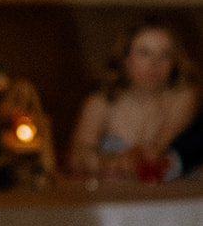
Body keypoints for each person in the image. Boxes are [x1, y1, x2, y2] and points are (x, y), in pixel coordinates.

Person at [67, 19, 199, 180]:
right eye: (144, 53)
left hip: (172, 200)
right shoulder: (101, 101)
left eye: (165, 54)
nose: (155, 64)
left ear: (175, 62)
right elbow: (76, 157)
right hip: (114, 199)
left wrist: (138, 157)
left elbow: (154, 152)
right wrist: (111, 161)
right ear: (125, 59)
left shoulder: (182, 96)